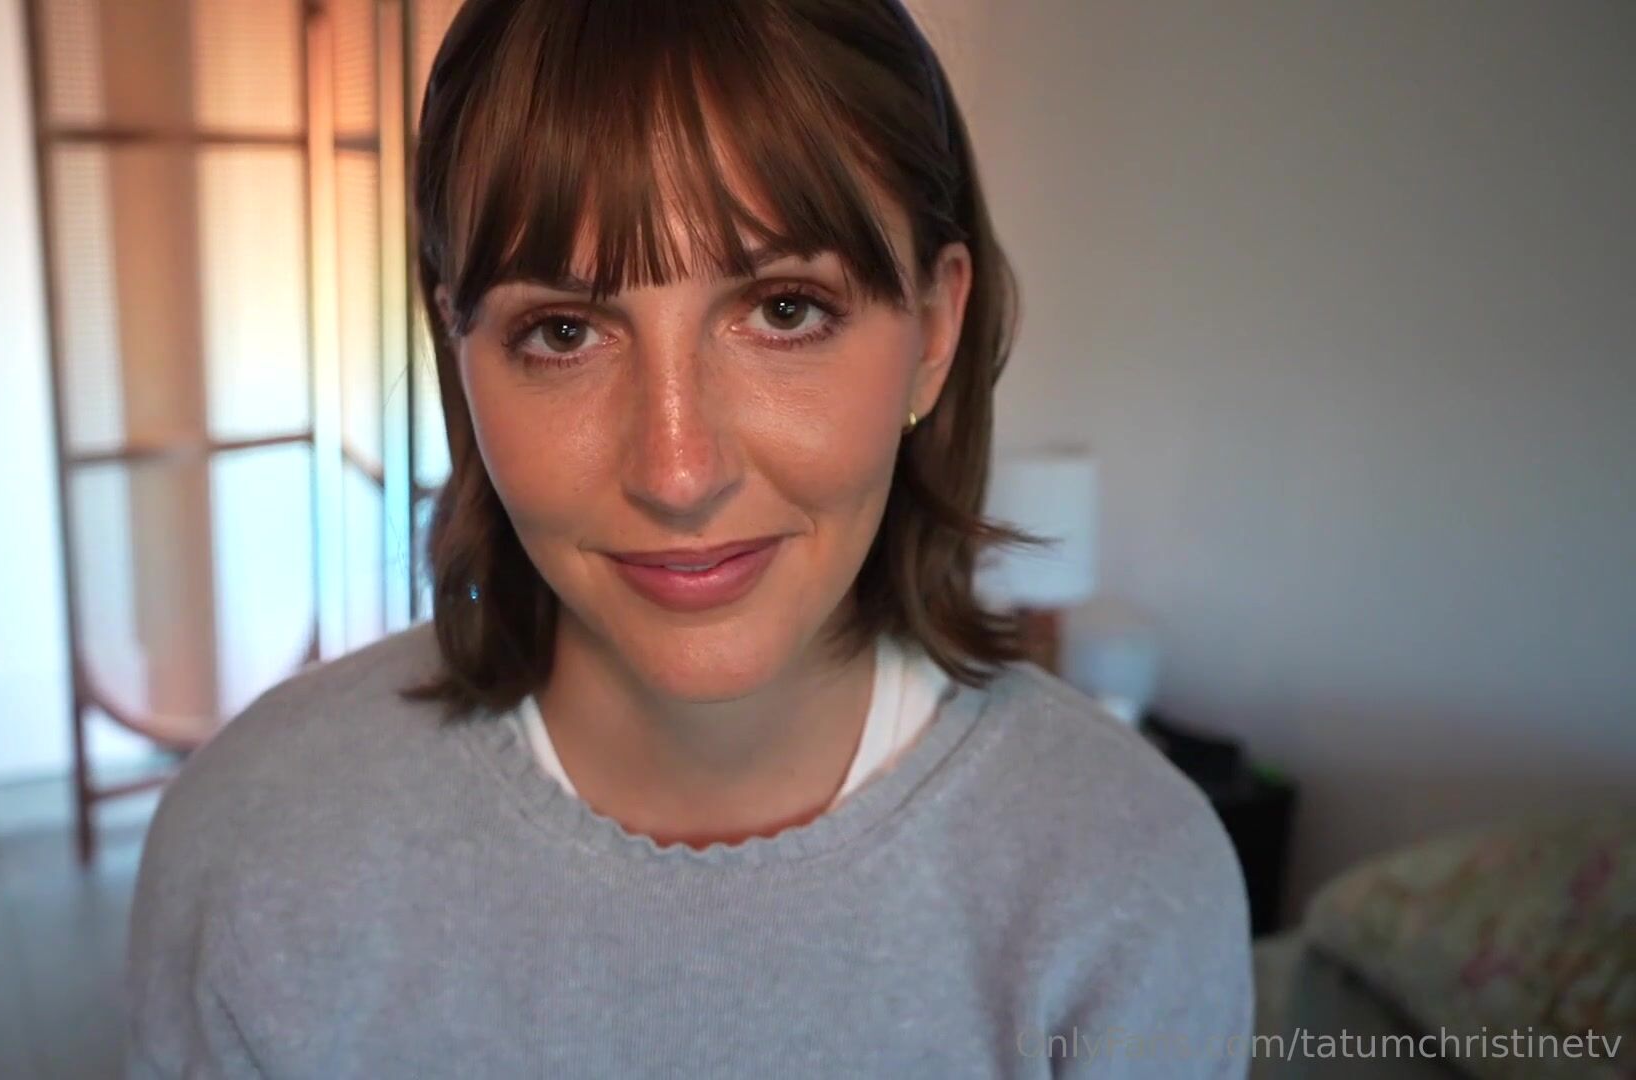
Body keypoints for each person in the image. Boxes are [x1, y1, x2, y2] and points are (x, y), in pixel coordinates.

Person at [127, 0, 1253, 1075]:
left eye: (784, 309)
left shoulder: (1124, 876)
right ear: (456, 351)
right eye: (562, 331)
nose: (677, 473)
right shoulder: (256, 849)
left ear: (933, 330)